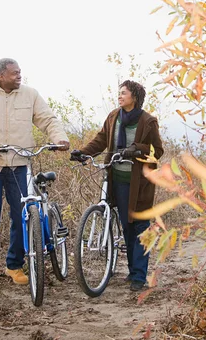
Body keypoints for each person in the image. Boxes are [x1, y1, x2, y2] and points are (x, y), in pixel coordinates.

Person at [0, 58, 70, 294]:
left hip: (19, 164)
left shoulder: (30, 95)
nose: (19, 76)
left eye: (20, 72)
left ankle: (14, 265)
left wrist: (59, 138)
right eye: (14, 73)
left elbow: (47, 119)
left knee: (22, 215)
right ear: (1, 75)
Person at [70, 80, 163, 292]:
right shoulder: (114, 117)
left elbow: (157, 151)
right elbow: (101, 140)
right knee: (126, 226)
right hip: (117, 180)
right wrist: (83, 153)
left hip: (140, 184)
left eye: (124, 93)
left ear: (135, 97)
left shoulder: (148, 121)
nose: (119, 96)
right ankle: (133, 272)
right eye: (119, 93)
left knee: (139, 227)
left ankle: (139, 276)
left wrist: (136, 149)